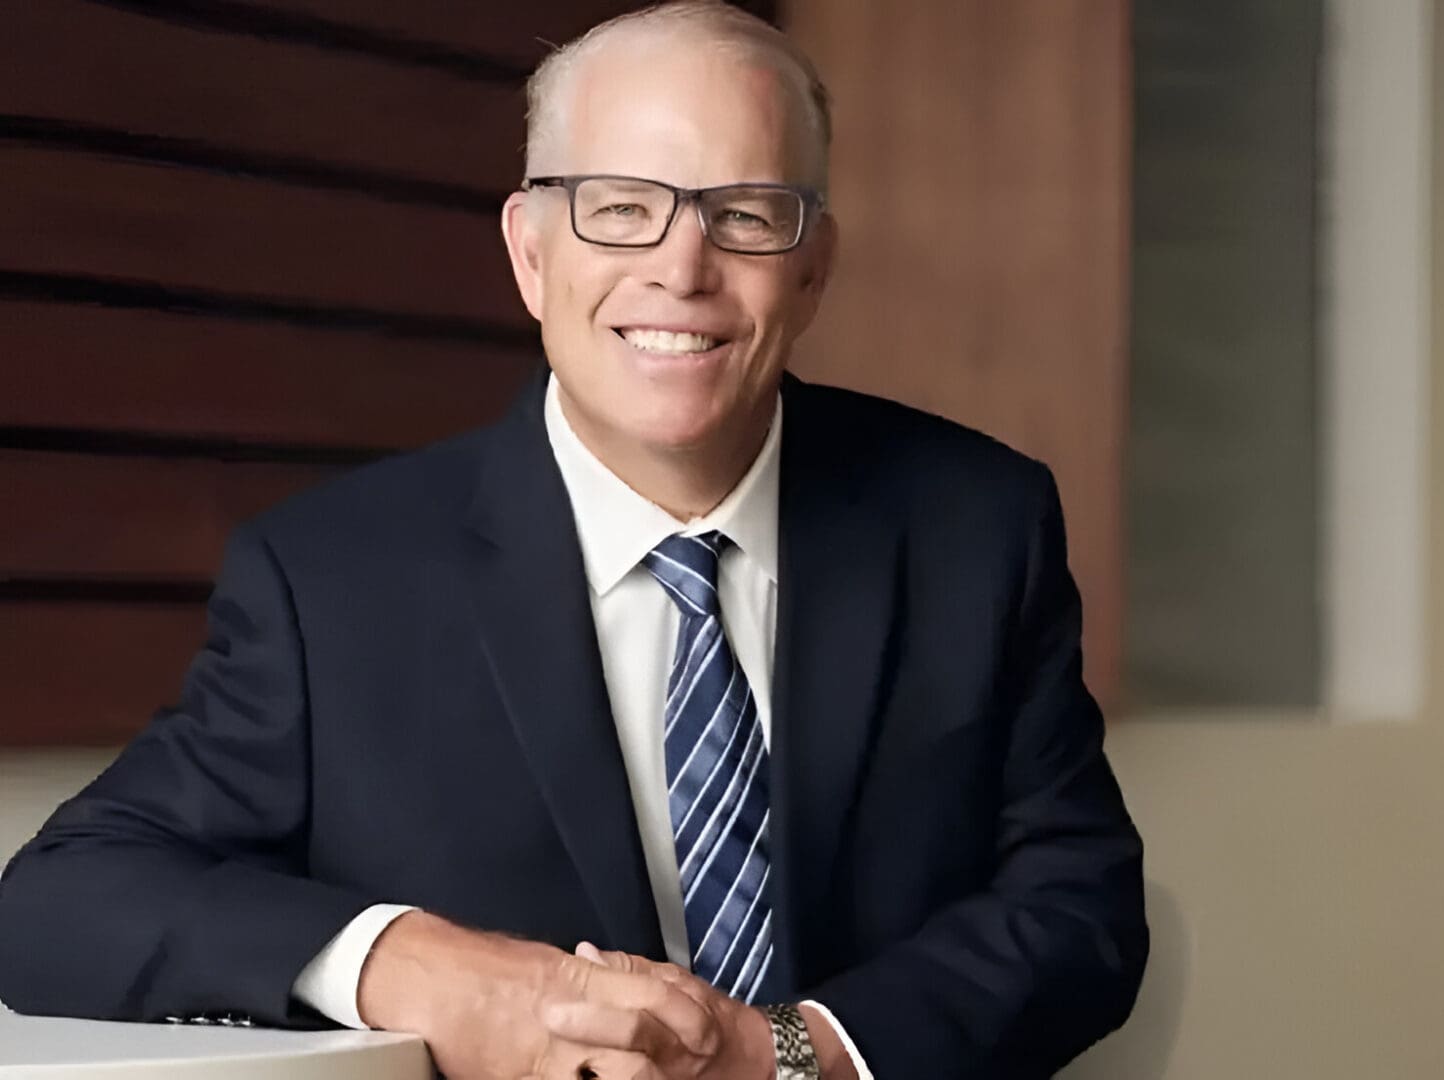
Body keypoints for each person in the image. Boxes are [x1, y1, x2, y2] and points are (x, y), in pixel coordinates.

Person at [0, 3, 1147, 1077]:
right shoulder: (331, 585)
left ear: (813, 265)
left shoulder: (975, 523)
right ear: (530, 251)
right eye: (618, 206)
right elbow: (59, 900)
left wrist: (789, 1055)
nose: (680, 267)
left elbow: (1077, 903)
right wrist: (430, 975)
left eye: (744, 213)